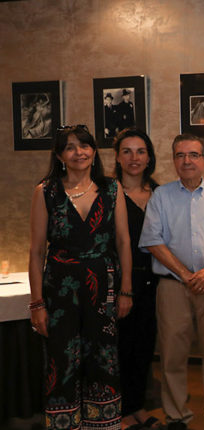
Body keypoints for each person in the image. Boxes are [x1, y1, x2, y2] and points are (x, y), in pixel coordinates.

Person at [28, 124, 133, 429]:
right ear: (60, 155)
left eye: (84, 145)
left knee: (103, 356)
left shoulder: (112, 189)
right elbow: (36, 251)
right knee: (62, 359)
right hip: (59, 289)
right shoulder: (46, 191)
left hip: (103, 285)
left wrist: (126, 290)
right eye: (70, 147)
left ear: (94, 151)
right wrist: (37, 304)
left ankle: (104, 423)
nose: (79, 152)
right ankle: (64, 422)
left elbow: (123, 242)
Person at [139, 134, 204, 430]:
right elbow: (152, 240)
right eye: (180, 155)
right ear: (174, 160)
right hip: (172, 286)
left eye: (194, 155)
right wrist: (186, 275)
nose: (187, 161)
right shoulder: (161, 196)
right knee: (172, 354)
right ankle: (176, 415)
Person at [113, 128, 160, 430]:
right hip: (119, 284)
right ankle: (120, 412)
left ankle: (137, 406)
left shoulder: (159, 192)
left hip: (154, 282)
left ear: (149, 157)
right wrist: (124, 288)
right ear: (117, 157)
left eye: (140, 151)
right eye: (127, 151)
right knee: (121, 348)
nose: (134, 158)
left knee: (144, 346)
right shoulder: (106, 192)